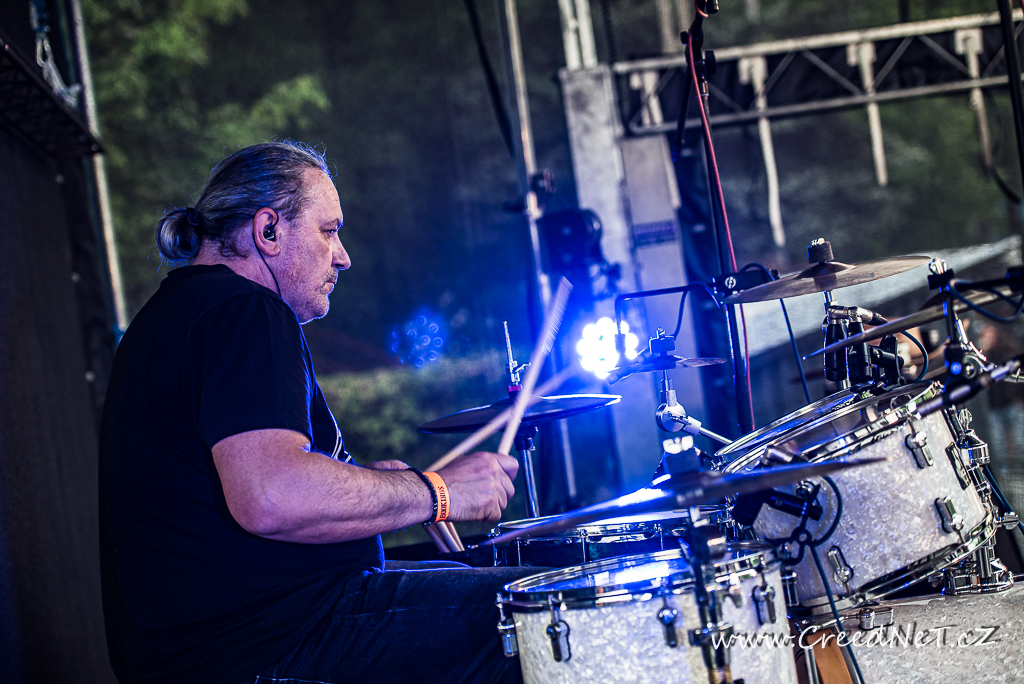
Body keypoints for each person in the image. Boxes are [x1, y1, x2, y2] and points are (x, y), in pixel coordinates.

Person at [98, 141, 536, 684]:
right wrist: (440, 492)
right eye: (328, 231)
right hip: (272, 644)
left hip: (232, 644)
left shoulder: (172, 316)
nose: (343, 256)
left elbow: (242, 490)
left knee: (467, 579)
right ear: (269, 231)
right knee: (538, 613)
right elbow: (270, 496)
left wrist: (369, 488)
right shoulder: (243, 308)